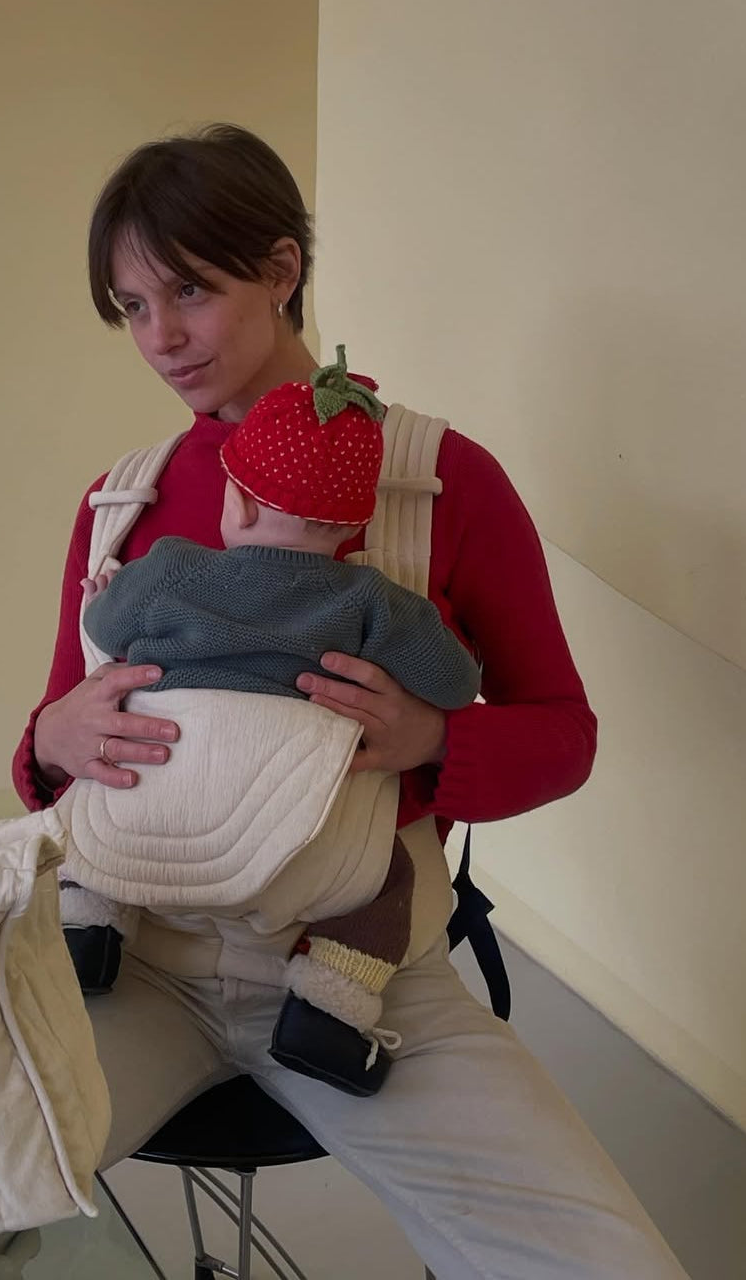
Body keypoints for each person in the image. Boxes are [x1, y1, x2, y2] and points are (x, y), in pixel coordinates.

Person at [0, 124, 689, 1279]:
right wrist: (50, 736)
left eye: (190, 289)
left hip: (365, 969)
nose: (161, 338)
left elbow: (563, 731)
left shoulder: (443, 481)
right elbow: (51, 741)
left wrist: (436, 740)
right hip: (137, 963)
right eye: (130, 306)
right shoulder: (121, 504)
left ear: (283, 270)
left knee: (609, 1264)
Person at [60, 347, 481, 1097]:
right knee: (390, 882)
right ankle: (328, 1007)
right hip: (306, 854)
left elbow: (107, 624)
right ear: (354, 525)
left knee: (92, 812)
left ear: (240, 503)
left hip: (150, 811)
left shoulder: (172, 567)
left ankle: (89, 924)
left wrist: (104, 592)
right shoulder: (371, 601)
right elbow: (455, 681)